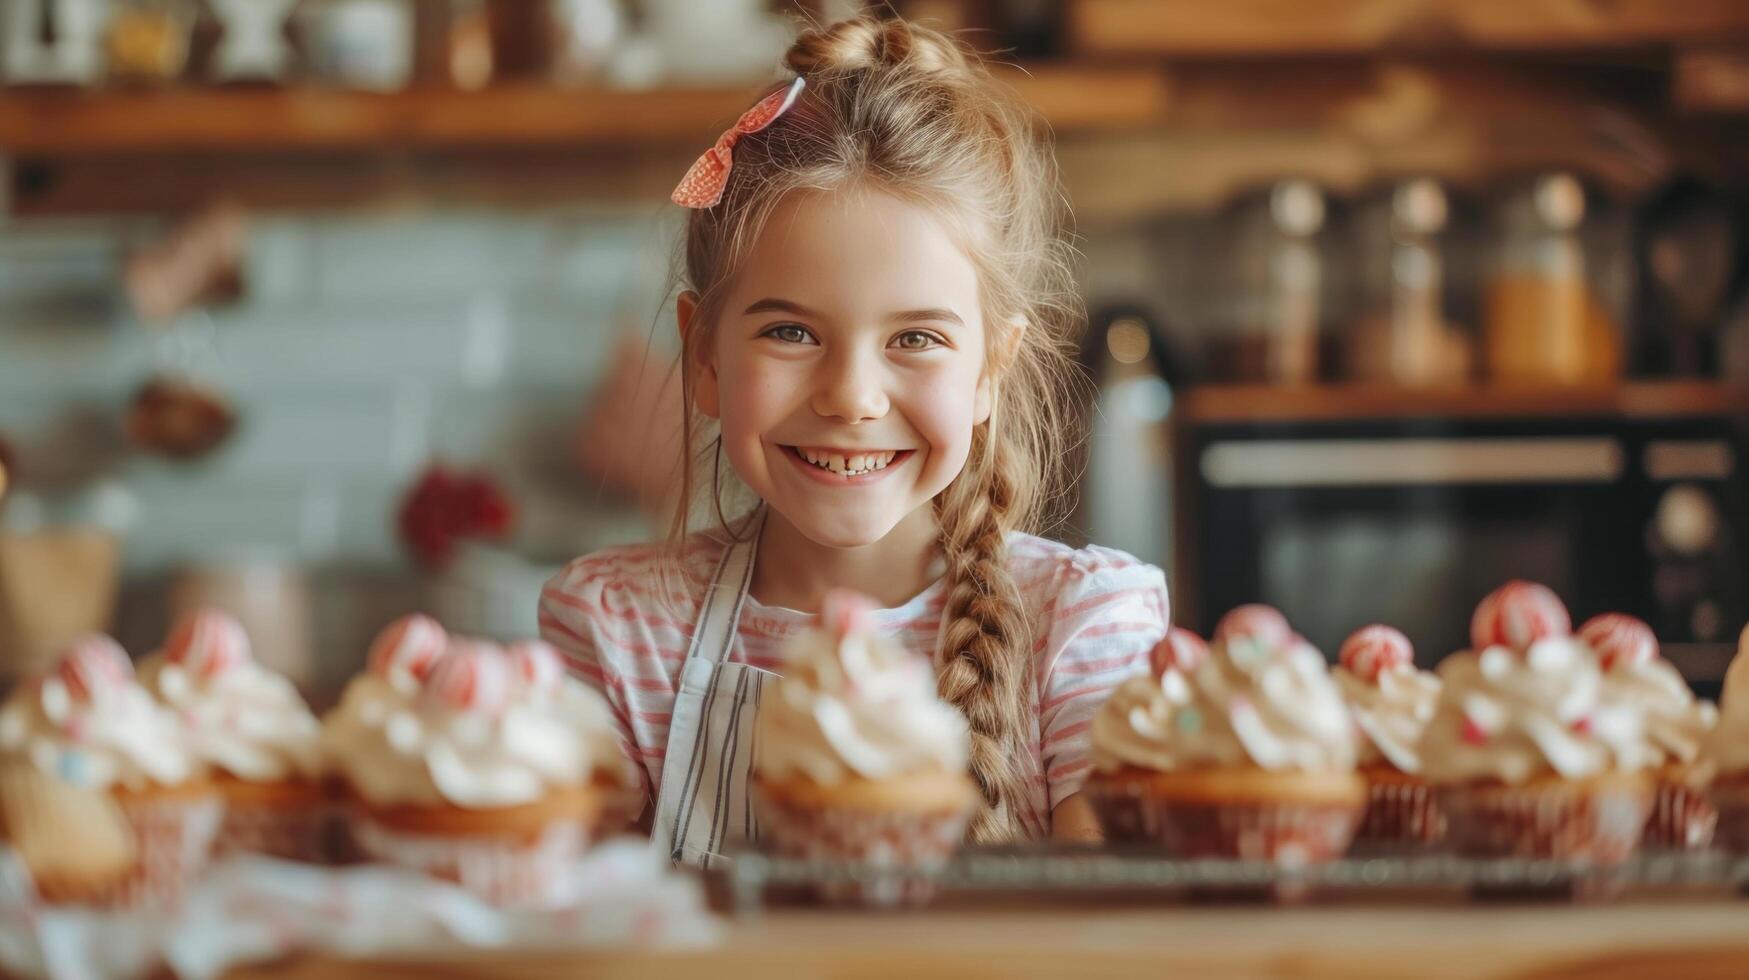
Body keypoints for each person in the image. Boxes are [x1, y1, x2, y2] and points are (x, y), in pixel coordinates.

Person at [539, 15, 1168, 864]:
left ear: (990, 370)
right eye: (790, 334)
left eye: (915, 339)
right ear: (704, 358)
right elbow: (579, 923)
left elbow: (1113, 937)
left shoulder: (1078, 630)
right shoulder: (621, 634)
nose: (851, 397)